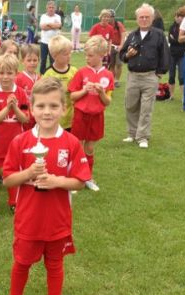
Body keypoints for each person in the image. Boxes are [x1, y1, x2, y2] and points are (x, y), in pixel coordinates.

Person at [0, 77, 91, 295]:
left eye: (53, 106)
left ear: (63, 108)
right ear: (31, 108)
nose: (47, 112)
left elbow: (81, 181)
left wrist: (56, 181)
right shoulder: (21, 142)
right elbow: (7, 180)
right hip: (28, 219)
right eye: (41, 106)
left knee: (55, 264)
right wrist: (28, 174)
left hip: (57, 220)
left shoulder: (71, 143)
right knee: (21, 263)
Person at [0, 54, 29, 221]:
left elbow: (25, 119)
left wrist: (15, 108)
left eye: (9, 73)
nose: (5, 77)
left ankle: (14, 202)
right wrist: (7, 108)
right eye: (1, 73)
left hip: (15, 140)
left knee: (13, 173)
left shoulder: (21, 93)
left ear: (16, 73)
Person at [120, 3, 169, 148]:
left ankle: (142, 137)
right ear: (137, 19)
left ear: (152, 18)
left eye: (147, 17)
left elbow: (165, 55)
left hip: (150, 76)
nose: (144, 19)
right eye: (141, 17)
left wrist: (160, 73)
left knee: (146, 108)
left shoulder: (159, 35)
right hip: (133, 76)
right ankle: (132, 133)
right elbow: (122, 55)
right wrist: (128, 55)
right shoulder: (132, 35)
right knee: (131, 106)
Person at [68, 35, 114, 191]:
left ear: (102, 55)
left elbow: (107, 102)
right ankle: (74, 177)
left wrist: (101, 92)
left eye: (90, 55)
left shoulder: (108, 75)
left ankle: (87, 177)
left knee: (89, 148)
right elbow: (72, 96)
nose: (87, 58)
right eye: (86, 55)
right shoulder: (81, 73)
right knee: (77, 146)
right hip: (81, 115)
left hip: (97, 116)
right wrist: (84, 90)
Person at [43, 34, 77, 132]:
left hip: (71, 118)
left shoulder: (74, 71)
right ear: (54, 56)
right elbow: (43, 94)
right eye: (65, 54)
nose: (69, 56)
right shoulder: (48, 74)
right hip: (55, 119)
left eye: (70, 53)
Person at [15, 43, 40, 131]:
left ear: (39, 60)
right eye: (29, 60)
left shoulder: (40, 78)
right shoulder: (19, 78)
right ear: (22, 61)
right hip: (25, 116)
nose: (32, 63)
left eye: (35, 60)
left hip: (38, 115)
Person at [168, 6, 185, 101]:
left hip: (182, 54)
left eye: (180, 16)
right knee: (171, 75)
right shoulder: (172, 27)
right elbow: (170, 39)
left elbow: (183, 41)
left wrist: (176, 39)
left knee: (181, 76)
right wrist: (178, 40)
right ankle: (171, 95)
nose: (177, 18)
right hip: (172, 54)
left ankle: (184, 96)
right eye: (177, 16)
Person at [39, 1, 61, 74]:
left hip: (54, 43)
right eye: (49, 7)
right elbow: (42, 27)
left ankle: (52, 73)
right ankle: (42, 74)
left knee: (53, 60)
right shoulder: (43, 16)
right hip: (44, 42)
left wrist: (48, 24)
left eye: (52, 7)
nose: (51, 9)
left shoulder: (58, 17)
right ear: (47, 8)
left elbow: (58, 26)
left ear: (55, 8)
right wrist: (53, 26)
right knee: (43, 60)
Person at [108, 9, 126, 87]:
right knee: (111, 64)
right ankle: (112, 80)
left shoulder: (118, 24)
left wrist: (121, 45)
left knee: (119, 64)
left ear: (113, 17)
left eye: (110, 17)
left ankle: (117, 80)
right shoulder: (107, 25)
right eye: (108, 17)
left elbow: (123, 34)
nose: (109, 18)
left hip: (119, 46)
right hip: (110, 47)